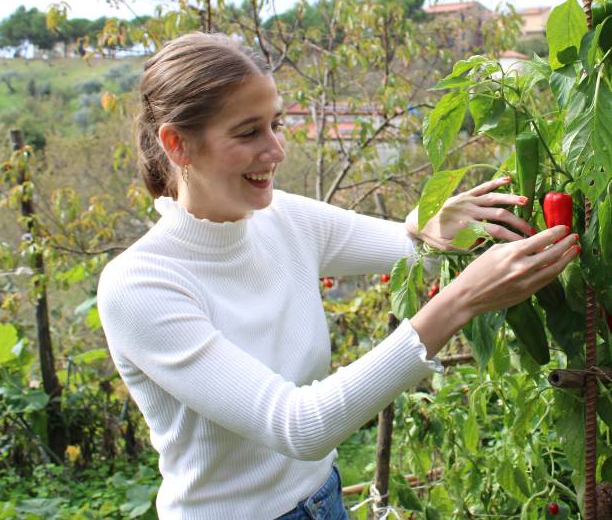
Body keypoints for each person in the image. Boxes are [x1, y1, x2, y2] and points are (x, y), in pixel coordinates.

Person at [97, 32, 581, 519]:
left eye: (275, 124)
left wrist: (434, 222)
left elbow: (411, 254)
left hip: (324, 500)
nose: (277, 149)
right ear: (177, 144)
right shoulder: (140, 285)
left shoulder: (283, 219)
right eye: (248, 133)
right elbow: (299, 427)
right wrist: (461, 301)